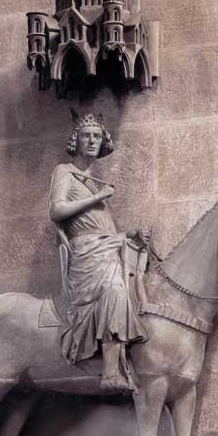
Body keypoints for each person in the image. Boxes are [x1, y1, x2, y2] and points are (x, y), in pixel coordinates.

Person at [49, 112, 147, 391]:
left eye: (96, 136)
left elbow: (100, 226)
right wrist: (97, 197)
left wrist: (128, 236)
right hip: (85, 252)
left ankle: (120, 364)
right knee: (115, 291)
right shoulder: (65, 172)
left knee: (127, 289)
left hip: (106, 247)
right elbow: (56, 211)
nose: (92, 141)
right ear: (75, 141)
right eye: (86, 136)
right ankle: (109, 374)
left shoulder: (92, 180)